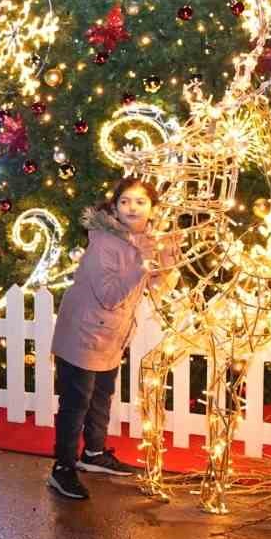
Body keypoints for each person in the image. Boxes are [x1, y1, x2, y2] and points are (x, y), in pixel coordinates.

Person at [46, 177, 176, 501]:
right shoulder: (104, 242)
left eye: (140, 202)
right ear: (115, 207)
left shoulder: (146, 241)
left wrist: (169, 260)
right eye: (125, 201)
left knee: (102, 396)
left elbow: (161, 288)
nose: (132, 207)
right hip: (83, 332)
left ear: (152, 208)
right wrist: (143, 264)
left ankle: (94, 453)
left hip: (112, 335)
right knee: (76, 403)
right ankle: (62, 469)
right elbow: (108, 296)